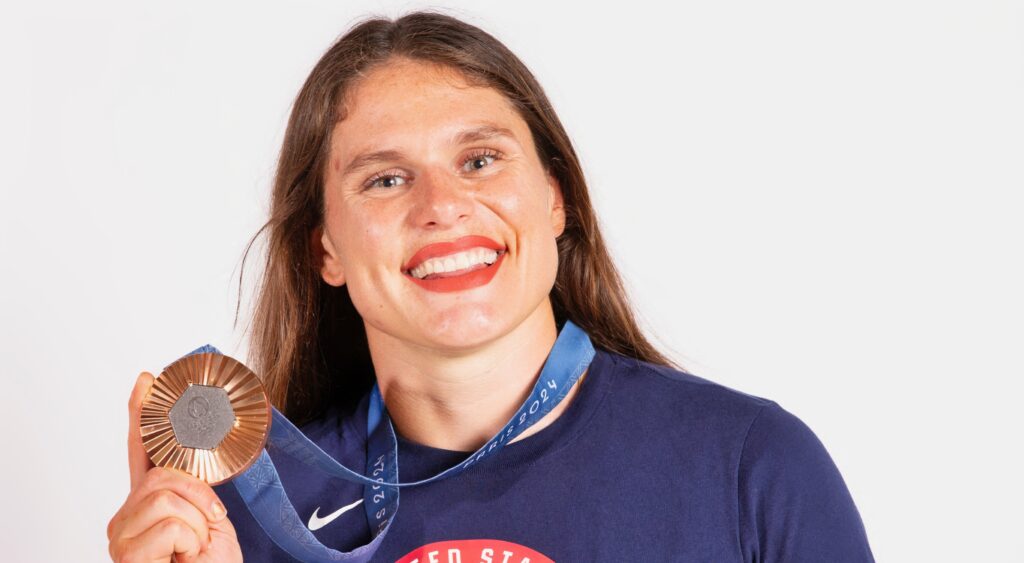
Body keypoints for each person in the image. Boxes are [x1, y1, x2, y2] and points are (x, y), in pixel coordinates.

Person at [107, 11, 875, 563]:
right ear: (325, 249)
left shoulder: (750, 467)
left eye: (480, 159)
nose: (441, 205)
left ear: (555, 198)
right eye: (385, 178)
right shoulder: (238, 521)